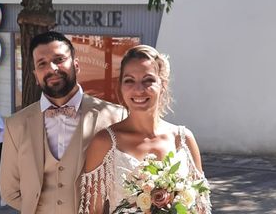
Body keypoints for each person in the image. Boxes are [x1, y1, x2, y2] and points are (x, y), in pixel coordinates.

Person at [0, 31, 125, 213]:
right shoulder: (16, 125)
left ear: (76, 65)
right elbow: (9, 191)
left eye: (59, 59)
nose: (52, 68)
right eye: (42, 63)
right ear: (35, 76)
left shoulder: (115, 117)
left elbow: (124, 185)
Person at [80, 45, 212, 214]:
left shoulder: (184, 140)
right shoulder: (104, 143)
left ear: (162, 84)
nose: (139, 89)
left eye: (148, 80)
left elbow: (201, 208)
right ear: (120, 86)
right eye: (129, 80)